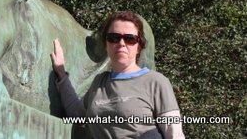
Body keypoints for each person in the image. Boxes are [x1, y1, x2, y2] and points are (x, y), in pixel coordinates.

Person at [51, 11, 185, 138]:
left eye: (129, 39)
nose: (121, 43)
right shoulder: (99, 83)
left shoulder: (156, 82)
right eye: (114, 38)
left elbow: (174, 134)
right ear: (106, 44)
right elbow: (77, 114)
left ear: (138, 46)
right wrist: (61, 74)